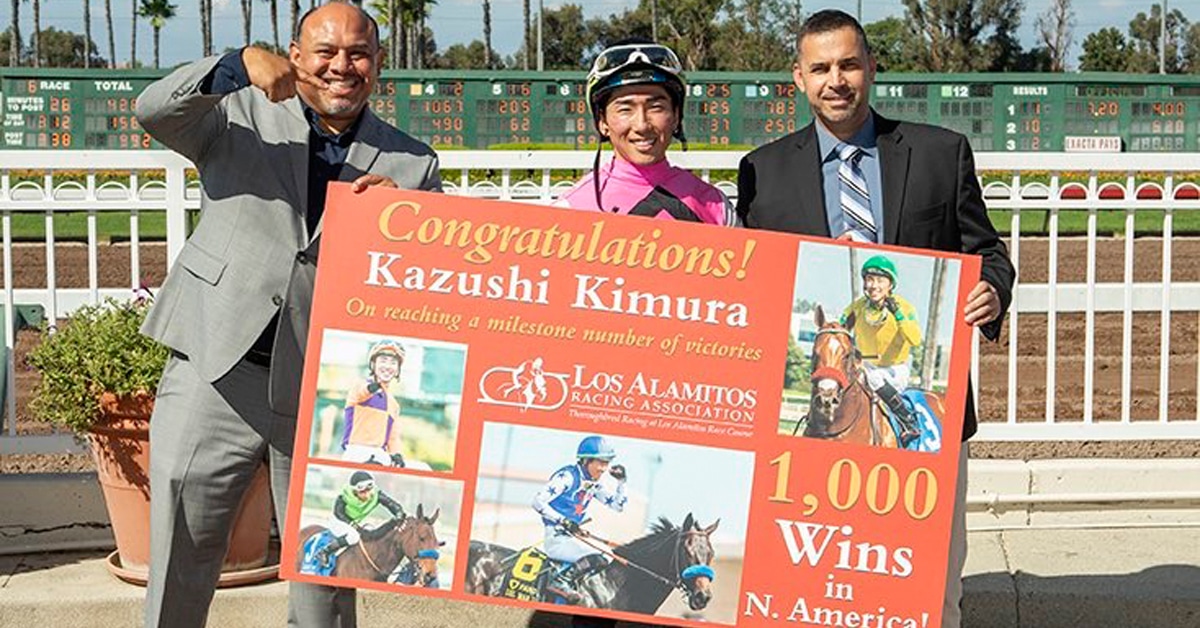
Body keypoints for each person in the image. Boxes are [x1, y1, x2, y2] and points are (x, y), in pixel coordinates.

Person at [135, 2, 441, 626]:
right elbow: (153, 110)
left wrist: (406, 222)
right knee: (179, 556)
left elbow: (433, 278)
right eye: (325, 51)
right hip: (216, 365)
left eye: (358, 53)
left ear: (379, 65)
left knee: (323, 581)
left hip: (326, 394)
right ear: (295, 55)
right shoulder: (234, 114)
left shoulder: (413, 164)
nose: (341, 66)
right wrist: (233, 65)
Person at [735, 10, 1015, 628]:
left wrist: (992, 290)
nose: (836, 80)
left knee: (933, 580)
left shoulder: (941, 153)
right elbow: (751, 283)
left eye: (848, 64)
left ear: (871, 68)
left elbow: (988, 252)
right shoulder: (762, 170)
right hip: (822, 400)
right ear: (799, 78)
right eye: (821, 68)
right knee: (813, 576)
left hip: (908, 389)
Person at [554, 39, 738, 227]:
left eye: (656, 107)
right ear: (602, 121)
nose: (642, 125)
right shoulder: (569, 210)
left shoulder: (715, 205)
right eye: (625, 109)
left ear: (676, 116)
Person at [531, 435, 628, 605]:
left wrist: (622, 482)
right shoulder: (567, 477)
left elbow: (618, 506)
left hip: (571, 537)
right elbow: (537, 502)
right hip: (557, 538)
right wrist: (563, 521)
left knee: (606, 554)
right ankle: (558, 581)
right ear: (586, 461)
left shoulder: (593, 483)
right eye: (601, 462)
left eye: (607, 463)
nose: (604, 468)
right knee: (602, 557)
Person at [841, 254, 923, 446]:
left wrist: (898, 315)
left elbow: (915, 339)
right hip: (866, 367)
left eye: (880, 280)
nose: (874, 285)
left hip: (894, 370)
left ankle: (908, 421)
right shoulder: (858, 307)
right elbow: (840, 326)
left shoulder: (905, 307)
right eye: (869, 279)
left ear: (890, 285)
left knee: (872, 377)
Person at [313, 470, 406, 569]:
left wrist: (398, 513)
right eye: (363, 492)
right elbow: (339, 513)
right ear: (355, 491)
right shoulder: (344, 496)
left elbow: (392, 505)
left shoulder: (375, 494)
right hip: (339, 521)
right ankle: (324, 552)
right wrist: (354, 525)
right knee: (354, 536)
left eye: (369, 491)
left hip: (356, 521)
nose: (367, 495)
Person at [340, 339, 407, 466]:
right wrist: (371, 388)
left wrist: (396, 454)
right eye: (383, 361)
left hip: (380, 455)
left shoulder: (393, 404)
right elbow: (361, 392)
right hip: (356, 453)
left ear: (398, 369)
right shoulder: (360, 386)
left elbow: (393, 436)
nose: (387, 366)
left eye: (393, 363)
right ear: (373, 364)